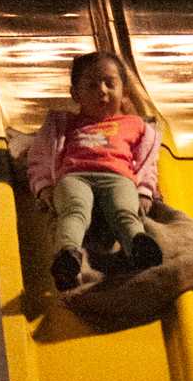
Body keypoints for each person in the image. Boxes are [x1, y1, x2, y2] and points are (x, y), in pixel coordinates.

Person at [28, 50, 163, 292]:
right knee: (74, 212)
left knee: (125, 211)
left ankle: (138, 246)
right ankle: (67, 256)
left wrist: (144, 191)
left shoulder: (136, 125)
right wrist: (44, 186)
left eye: (110, 84)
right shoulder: (63, 123)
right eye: (91, 85)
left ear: (124, 92)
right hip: (74, 177)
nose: (101, 90)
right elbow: (38, 156)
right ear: (75, 94)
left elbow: (147, 163)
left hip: (118, 177)